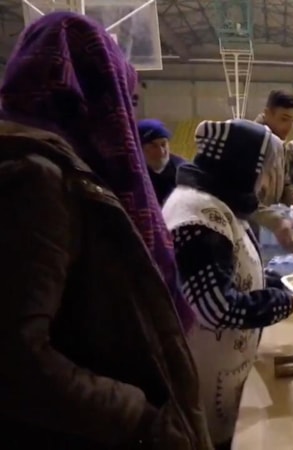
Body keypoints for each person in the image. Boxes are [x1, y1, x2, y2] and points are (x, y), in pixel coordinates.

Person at [0, 12, 211, 449]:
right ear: (92, 94)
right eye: (123, 97)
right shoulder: (35, 179)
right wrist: (139, 416)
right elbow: (15, 356)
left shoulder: (63, 168)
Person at [163, 119, 293, 449]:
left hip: (223, 372)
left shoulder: (218, 204)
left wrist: (291, 287)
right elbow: (216, 308)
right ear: (241, 165)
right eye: (263, 171)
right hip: (203, 376)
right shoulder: (196, 218)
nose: (264, 182)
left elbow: (243, 275)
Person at [251, 90, 293, 250]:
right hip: (246, 230)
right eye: (284, 119)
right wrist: (277, 221)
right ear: (267, 113)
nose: (289, 127)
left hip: (267, 229)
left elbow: (285, 184)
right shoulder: (250, 143)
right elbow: (243, 198)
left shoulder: (279, 145)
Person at [138, 118, 186, 205]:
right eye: (153, 146)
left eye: (163, 144)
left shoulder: (184, 171)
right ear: (140, 148)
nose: (161, 151)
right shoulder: (134, 173)